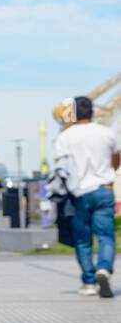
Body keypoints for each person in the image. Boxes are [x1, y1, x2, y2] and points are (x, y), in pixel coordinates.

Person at [51, 95, 119, 297]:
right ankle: (104, 269)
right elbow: (117, 158)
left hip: (78, 193)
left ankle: (89, 282)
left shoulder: (65, 136)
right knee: (106, 235)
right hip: (104, 189)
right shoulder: (107, 133)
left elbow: (60, 167)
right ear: (92, 111)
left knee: (83, 240)